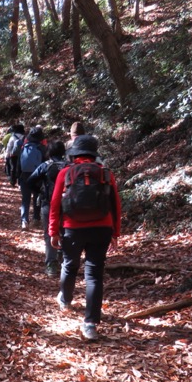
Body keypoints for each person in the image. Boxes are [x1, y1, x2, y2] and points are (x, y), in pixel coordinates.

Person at [48, 135, 121, 340]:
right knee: (94, 274)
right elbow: (115, 204)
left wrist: (53, 231)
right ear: (94, 154)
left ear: (75, 154)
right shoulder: (106, 173)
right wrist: (115, 232)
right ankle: (90, 325)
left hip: (72, 228)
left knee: (69, 265)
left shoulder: (65, 173)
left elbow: (55, 204)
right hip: (102, 227)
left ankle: (65, 300)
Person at [28, 140, 68, 276]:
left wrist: (40, 191)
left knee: (49, 233)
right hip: (67, 204)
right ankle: (63, 259)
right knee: (65, 232)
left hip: (48, 203)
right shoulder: (69, 166)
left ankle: (51, 264)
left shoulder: (45, 166)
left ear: (49, 152)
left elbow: (30, 181)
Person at [18, 125, 46, 230]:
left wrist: (17, 177)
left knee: (25, 198)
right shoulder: (42, 148)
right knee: (36, 197)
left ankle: (24, 221)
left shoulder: (24, 148)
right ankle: (36, 219)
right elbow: (44, 163)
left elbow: (19, 164)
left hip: (24, 175)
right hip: (37, 175)